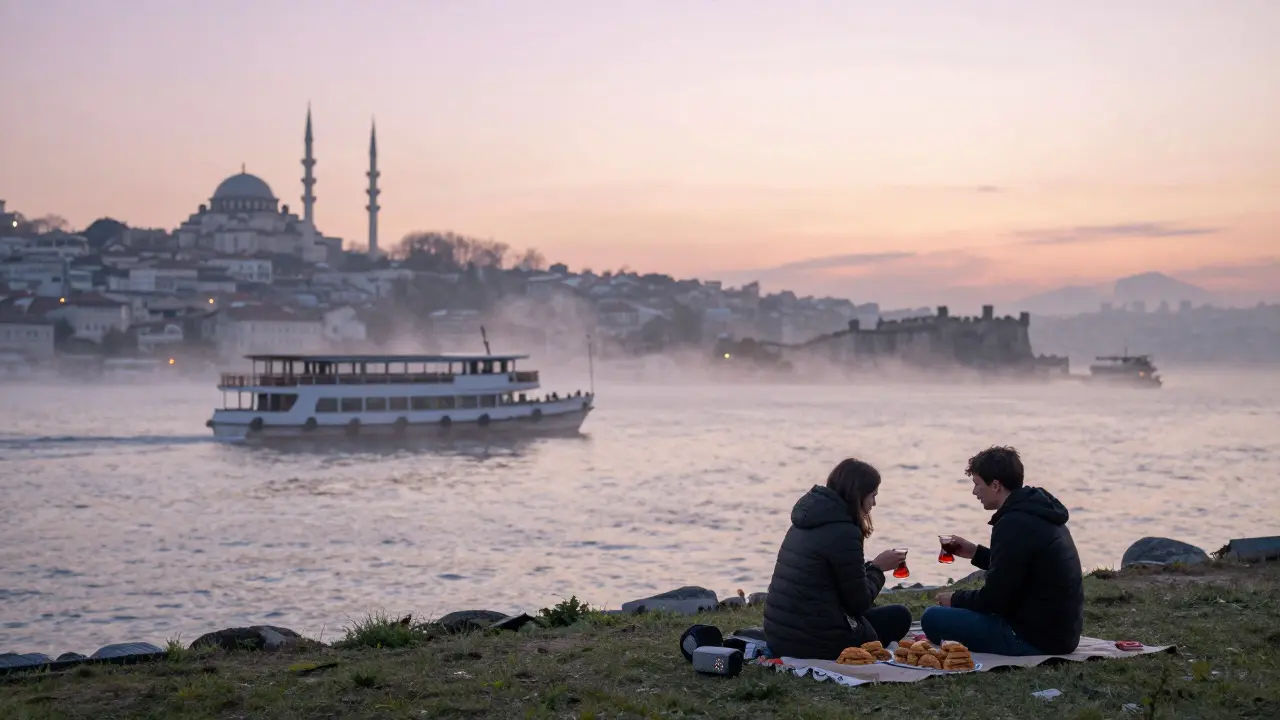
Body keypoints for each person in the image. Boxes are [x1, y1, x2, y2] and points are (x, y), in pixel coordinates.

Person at [925, 446, 1084, 655]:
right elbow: (1020, 566)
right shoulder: (1038, 511)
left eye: (977, 484)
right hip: (1062, 634)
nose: (974, 492)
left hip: (1032, 637)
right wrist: (975, 553)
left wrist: (955, 598)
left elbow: (994, 600)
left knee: (932, 618)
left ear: (996, 485)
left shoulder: (1012, 523)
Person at [763, 458, 913, 660]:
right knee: (899, 616)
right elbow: (858, 603)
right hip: (815, 644)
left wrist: (868, 570)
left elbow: (834, 582)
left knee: (875, 613)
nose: (874, 503)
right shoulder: (845, 532)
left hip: (779, 636)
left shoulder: (805, 521)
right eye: (873, 496)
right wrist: (878, 568)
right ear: (858, 495)